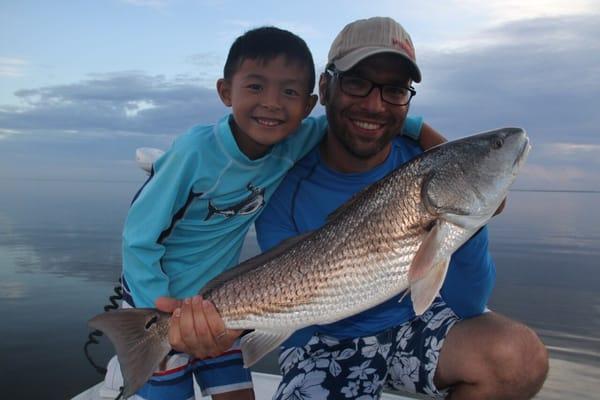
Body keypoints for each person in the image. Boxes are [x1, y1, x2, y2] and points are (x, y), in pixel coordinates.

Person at [158, 17, 549, 399]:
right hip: (324, 340)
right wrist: (226, 326)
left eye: (394, 89)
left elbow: (468, 304)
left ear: (406, 100)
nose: (375, 105)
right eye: (358, 83)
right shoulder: (285, 184)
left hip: (412, 324)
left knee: (520, 358)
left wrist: (470, 223)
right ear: (325, 88)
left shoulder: (425, 164)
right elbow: (296, 325)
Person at [118, 25, 441, 400]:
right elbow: (137, 238)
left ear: (307, 105)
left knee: (238, 392)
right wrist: (158, 310)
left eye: (288, 92)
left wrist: (435, 143)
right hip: (158, 293)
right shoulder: (193, 153)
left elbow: (389, 121)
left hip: (217, 297)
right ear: (225, 92)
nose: (272, 103)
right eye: (255, 87)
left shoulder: (297, 138)